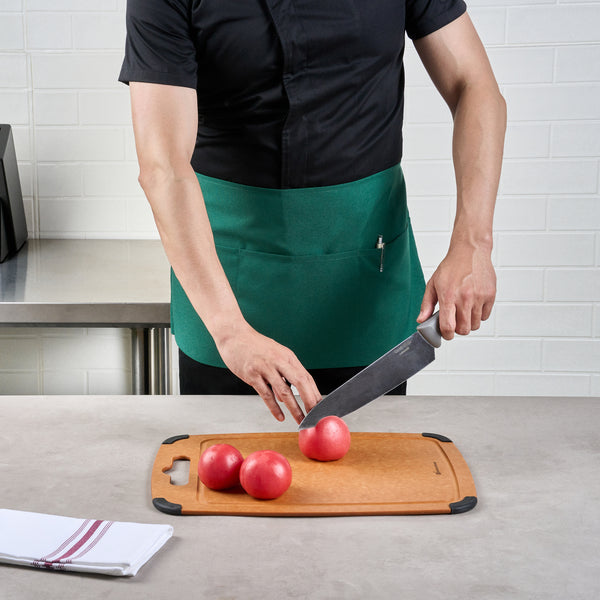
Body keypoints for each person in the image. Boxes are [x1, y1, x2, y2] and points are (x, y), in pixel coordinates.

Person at [119, 0, 506, 423]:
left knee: (375, 461)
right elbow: (163, 167)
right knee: (222, 460)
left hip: (367, 285)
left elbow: (473, 84)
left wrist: (473, 243)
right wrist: (229, 329)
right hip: (225, 288)